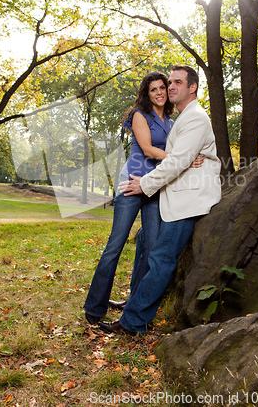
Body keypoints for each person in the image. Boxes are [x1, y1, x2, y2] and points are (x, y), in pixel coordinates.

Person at [98, 64, 222, 335]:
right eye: (170, 82)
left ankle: (133, 322)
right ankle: (134, 300)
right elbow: (170, 156)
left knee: (162, 257)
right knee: (144, 239)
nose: (171, 86)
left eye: (178, 82)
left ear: (193, 88)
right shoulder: (181, 118)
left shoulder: (195, 118)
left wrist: (144, 184)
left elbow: (177, 162)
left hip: (188, 200)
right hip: (175, 196)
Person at [83, 71, 175, 325]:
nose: (158, 92)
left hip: (153, 188)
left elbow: (177, 149)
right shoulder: (139, 115)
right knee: (116, 244)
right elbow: (147, 149)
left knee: (150, 246)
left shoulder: (170, 120)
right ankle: (94, 307)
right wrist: (182, 160)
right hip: (131, 185)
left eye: (162, 88)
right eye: (153, 89)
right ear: (147, 93)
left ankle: (134, 301)